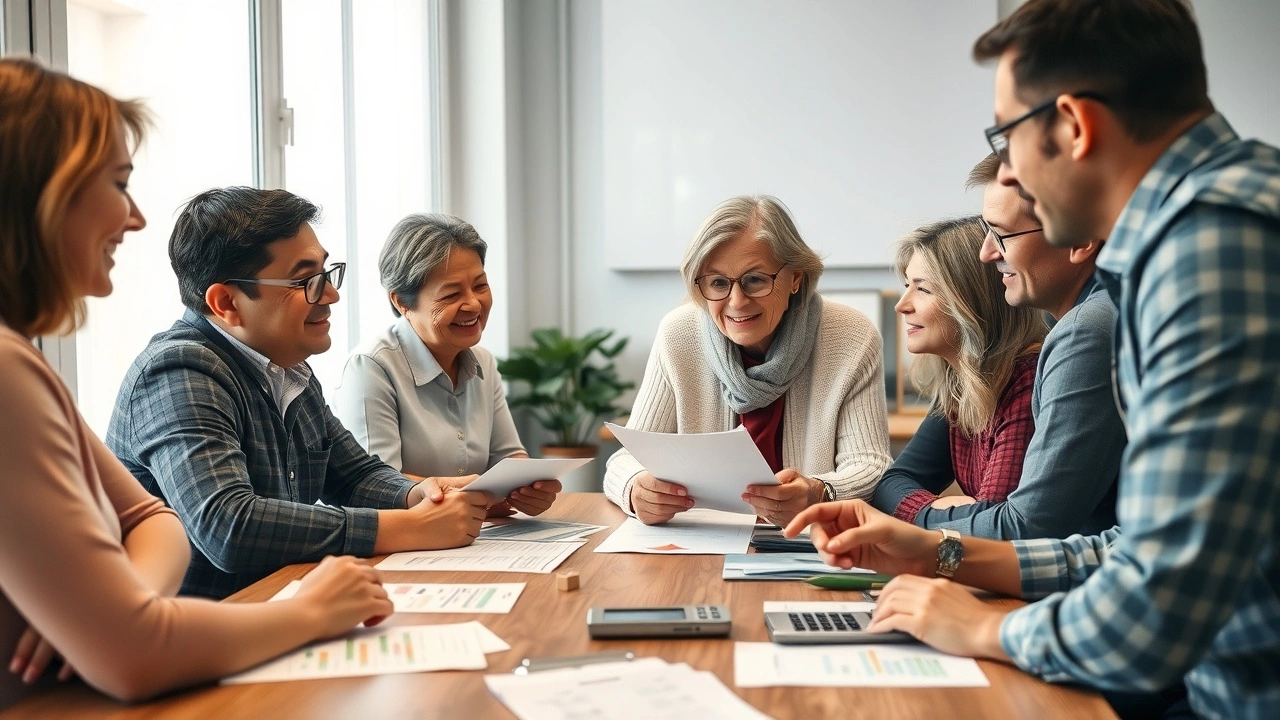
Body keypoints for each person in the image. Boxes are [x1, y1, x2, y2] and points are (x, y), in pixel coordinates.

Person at [787, 1, 1280, 718]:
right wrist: (939, 553)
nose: (1009, 170)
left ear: (1075, 126)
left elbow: (1156, 606)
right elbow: (1142, 548)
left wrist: (984, 628)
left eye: (1006, 136)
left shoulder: (1210, 249)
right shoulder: (1200, 231)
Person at [0, 57, 392, 710]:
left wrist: (115, 603)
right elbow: (135, 649)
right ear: (44, 195)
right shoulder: (26, 370)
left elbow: (153, 521)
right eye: (118, 184)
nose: (135, 218)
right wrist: (313, 611)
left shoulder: (21, 359)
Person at [106, 187, 491, 601]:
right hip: (205, 624)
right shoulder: (178, 371)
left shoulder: (288, 366)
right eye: (307, 281)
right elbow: (229, 526)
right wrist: (409, 527)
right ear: (226, 302)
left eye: (327, 273)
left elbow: (354, 475)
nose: (331, 295)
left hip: (277, 604)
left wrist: (424, 494)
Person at [603, 195, 893, 527]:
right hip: (704, 540)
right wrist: (636, 489)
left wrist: (820, 493)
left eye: (755, 280)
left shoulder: (850, 335)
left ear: (795, 277)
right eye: (718, 283)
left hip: (808, 540)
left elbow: (871, 467)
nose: (737, 302)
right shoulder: (678, 334)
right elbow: (625, 460)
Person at [872, 155, 1122, 539]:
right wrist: (940, 512)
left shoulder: (1079, 337)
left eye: (1001, 234)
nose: (987, 254)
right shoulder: (966, 380)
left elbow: (1018, 529)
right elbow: (894, 482)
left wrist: (917, 524)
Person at [335, 213, 560, 516]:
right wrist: (480, 496)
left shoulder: (483, 361)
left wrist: (528, 489)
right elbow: (374, 488)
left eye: (480, 286)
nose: (473, 304)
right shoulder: (370, 367)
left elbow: (508, 457)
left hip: (473, 534)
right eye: (452, 294)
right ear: (402, 302)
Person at [870, 217, 1047, 524]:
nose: (902, 305)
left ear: (973, 299)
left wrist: (928, 514)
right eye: (907, 286)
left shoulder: (1026, 380)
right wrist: (935, 510)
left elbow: (993, 522)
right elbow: (891, 484)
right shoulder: (960, 382)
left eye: (923, 289)